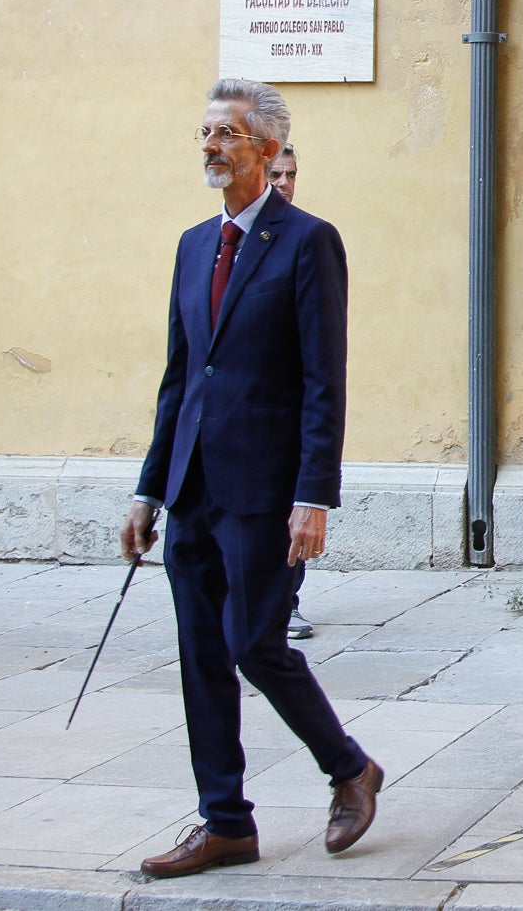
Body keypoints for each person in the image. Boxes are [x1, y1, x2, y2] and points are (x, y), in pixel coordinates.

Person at [121, 79, 380, 877]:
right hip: (195, 486)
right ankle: (225, 821)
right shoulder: (194, 245)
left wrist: (314, 495)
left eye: (227, 133)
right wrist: (149, 486)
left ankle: (349, 768)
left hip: (267, 492)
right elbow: (179, 378)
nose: (211, 144)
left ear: (268, 152)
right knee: (202, 649)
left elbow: (321, 381)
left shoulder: (307, 241)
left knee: (253, 641)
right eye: (205, 131)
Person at [266, 143, 315, 643]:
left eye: (291, 174)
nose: (284, 182)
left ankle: (289, 599)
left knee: (290, 511)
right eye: (276, 173)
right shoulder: (215, 240)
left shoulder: (307, 238)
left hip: (289, 404)